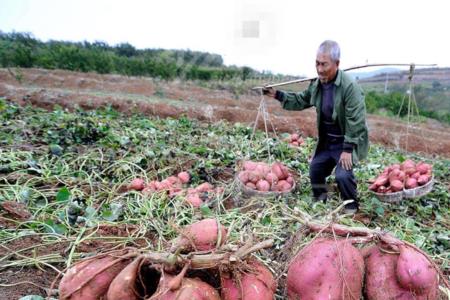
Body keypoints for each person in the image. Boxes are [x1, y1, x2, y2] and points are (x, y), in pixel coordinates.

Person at [263, 40, 368, 214]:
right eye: (317, 63)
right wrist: (277, 94)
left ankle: (351, 207)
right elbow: (300, 100)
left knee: (342, 175)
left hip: (346, 141)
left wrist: (348, 149)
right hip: (328, 141)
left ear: (337, 64)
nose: (319, 69)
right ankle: (321, 199)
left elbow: (356, 120)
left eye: (324, 64)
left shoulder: (350, 87)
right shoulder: (317, 85)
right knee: (315, 169)